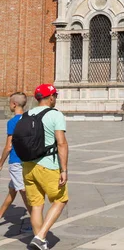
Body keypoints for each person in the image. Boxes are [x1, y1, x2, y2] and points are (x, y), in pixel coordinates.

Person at [22, 84, 69, 250]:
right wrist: (64, 169)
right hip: (48, 165)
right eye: (55, 95)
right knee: (60, 200)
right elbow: (61, 143)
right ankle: (41, 236)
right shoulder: (55, 115)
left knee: (36, 205)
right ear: (50, 97)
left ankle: (41, 243)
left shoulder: (26, 115)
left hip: (27, 166)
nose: (55, 98)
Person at [0, 92, 32, 227]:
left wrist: (0, 163)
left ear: (14, 104)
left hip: (16, 161)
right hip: (28, 161)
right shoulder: (30, 119)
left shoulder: (12, 122)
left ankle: (36, 220)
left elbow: (8, 146)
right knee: (12, 190)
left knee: (23, 192)